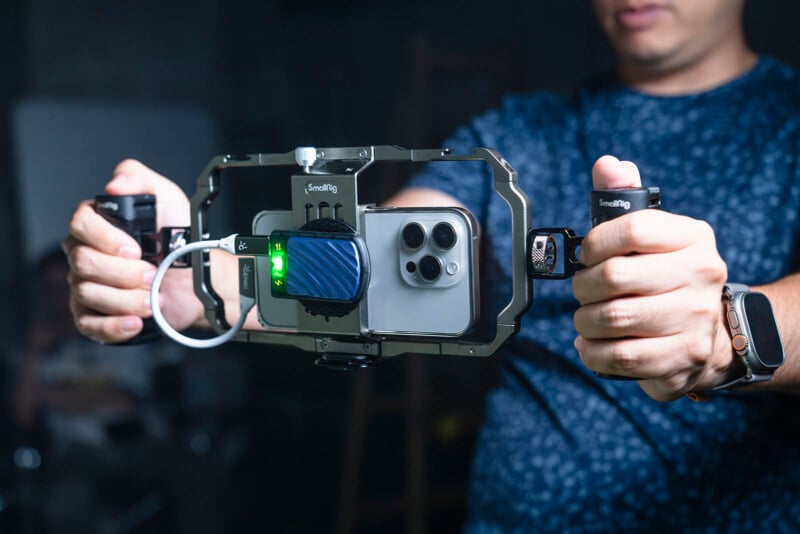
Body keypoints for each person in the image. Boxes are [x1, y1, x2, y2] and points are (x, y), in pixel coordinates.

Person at [63, 0, 800, 530]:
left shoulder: (789, 121)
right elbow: (370, 265)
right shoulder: (518, 128)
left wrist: (728, 333)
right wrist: (193, 284)